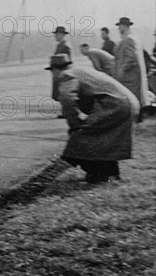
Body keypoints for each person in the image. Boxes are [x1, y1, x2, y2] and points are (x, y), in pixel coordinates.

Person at [46, 54, 140, 184]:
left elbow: (67, 100)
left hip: (115, 105)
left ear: (55, 70)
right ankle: (110, 174)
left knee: (82, 137)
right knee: (106, 139)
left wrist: (75, 125)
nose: (53, 75)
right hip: (128, 102)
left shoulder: (67, 75)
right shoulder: (81, 71)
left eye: (52, 72)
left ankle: (97, 175)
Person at [113, 17, 149, 121]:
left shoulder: (128, 39)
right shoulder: (133, 38)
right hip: (132, 75)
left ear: (124, 26)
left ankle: (135, 117)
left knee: (130, 96)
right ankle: (137, 117)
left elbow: (130, 58)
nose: (119, 28)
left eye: (119, 26)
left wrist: (121, 72)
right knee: (134, 96)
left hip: (129, 76)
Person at [51, 26, 73, 118]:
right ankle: (65, 112)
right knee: (60, 92)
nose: (55, 36)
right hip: (59, 71)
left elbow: (67, 60)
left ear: (61, 35)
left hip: (63, 71)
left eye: (57, 34)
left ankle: (67, 112)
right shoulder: (60, 45)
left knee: (63, 92)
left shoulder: (65, 46)